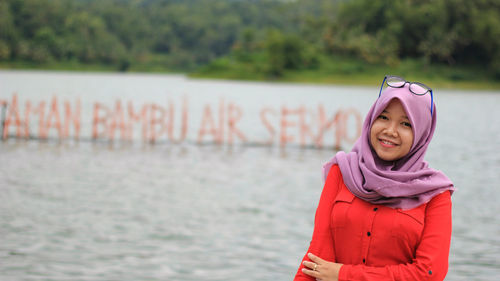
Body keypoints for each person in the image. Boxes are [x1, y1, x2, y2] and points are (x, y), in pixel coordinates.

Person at [293, 75, 455, 281]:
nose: (390, 131)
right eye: (384, 117)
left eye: (406, 124)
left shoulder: (435, 194)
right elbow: (316, 257)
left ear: (422, 133)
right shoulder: (342, 171)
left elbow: (429, 274)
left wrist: (343, 274)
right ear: (371, 119)